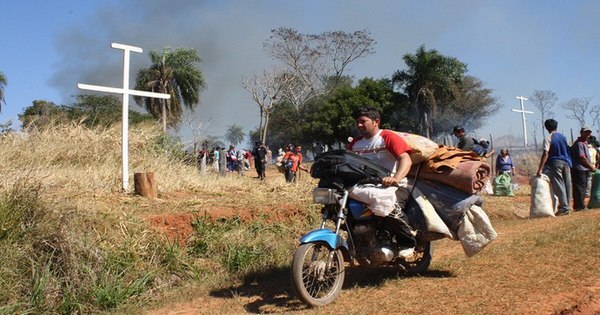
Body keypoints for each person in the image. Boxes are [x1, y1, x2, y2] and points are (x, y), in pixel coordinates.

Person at [347, 107, 415, 257]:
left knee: (389, 205)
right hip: (364, 186)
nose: (359, 125)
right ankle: (355, 239)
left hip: (392, 185)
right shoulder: (355, 144)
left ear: (376, 121)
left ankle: (407, 241)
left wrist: (395, 178)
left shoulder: (387, 137)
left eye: (363, 121)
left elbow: (405, 159)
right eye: (357, 122)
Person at [535, 119, 572, 216]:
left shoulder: (548, 138)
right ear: (556, 126)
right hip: (566, 162)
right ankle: (567, 206)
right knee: (567, 184)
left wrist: (540, 169)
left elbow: (545, 153)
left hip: (555, 163)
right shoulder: (563, 137)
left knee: (559, 185)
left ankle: (564, 208)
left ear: (546, 128)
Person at [570, 127, 597, 211]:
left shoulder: (584, 143)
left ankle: (581, 205)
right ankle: (580, 206)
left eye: (589, 133)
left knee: (583, 187)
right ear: (582, 133)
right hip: (579, 169)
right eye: (586, 132)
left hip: (584, 169)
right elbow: (582, 158)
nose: (588, 135)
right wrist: (590, 166)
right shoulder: (579, 144)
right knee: (579, 188)